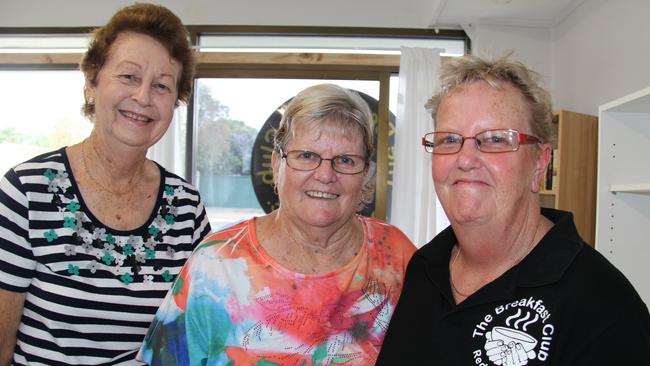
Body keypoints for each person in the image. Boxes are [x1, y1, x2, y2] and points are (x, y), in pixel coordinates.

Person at [376, 55, 650, 365]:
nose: (465, 159)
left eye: (494, 139)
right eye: (450, 139)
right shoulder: (424, 267)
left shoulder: (602, 305)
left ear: (540, 163)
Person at [137, 83, 416, 365]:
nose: (325, 175)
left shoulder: (396, 254)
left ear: (365, 174)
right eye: (307, 156)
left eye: (345, 160)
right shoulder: (217, 264)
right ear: (276, 164)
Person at [0, 4, 212, 365]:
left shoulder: (186, 207)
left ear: (174, 104)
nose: (143, 97)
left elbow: (199, 336)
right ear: (92, 82)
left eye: (161, 85)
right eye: (129, 77)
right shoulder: (26, 191)